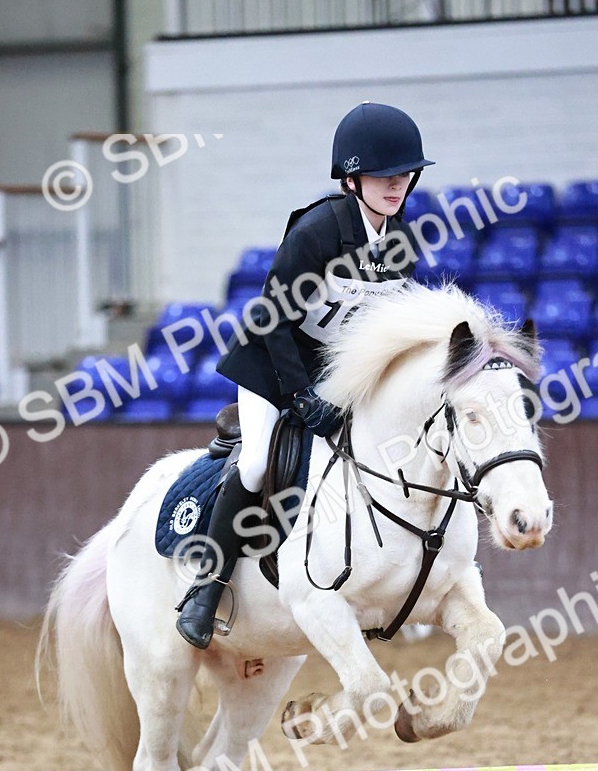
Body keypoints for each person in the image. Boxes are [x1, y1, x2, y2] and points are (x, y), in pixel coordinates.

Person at [175, 101, 434, 649]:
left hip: (337, 371)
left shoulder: (402, 240)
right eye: (385, 175)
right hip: (273, 365)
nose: (397, 184)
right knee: (255, 462)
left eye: (405, 174)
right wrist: (297, 395)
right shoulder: (316, 231)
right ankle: (208, 587)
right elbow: (272, 317)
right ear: (352, 177)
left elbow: (390, 322)